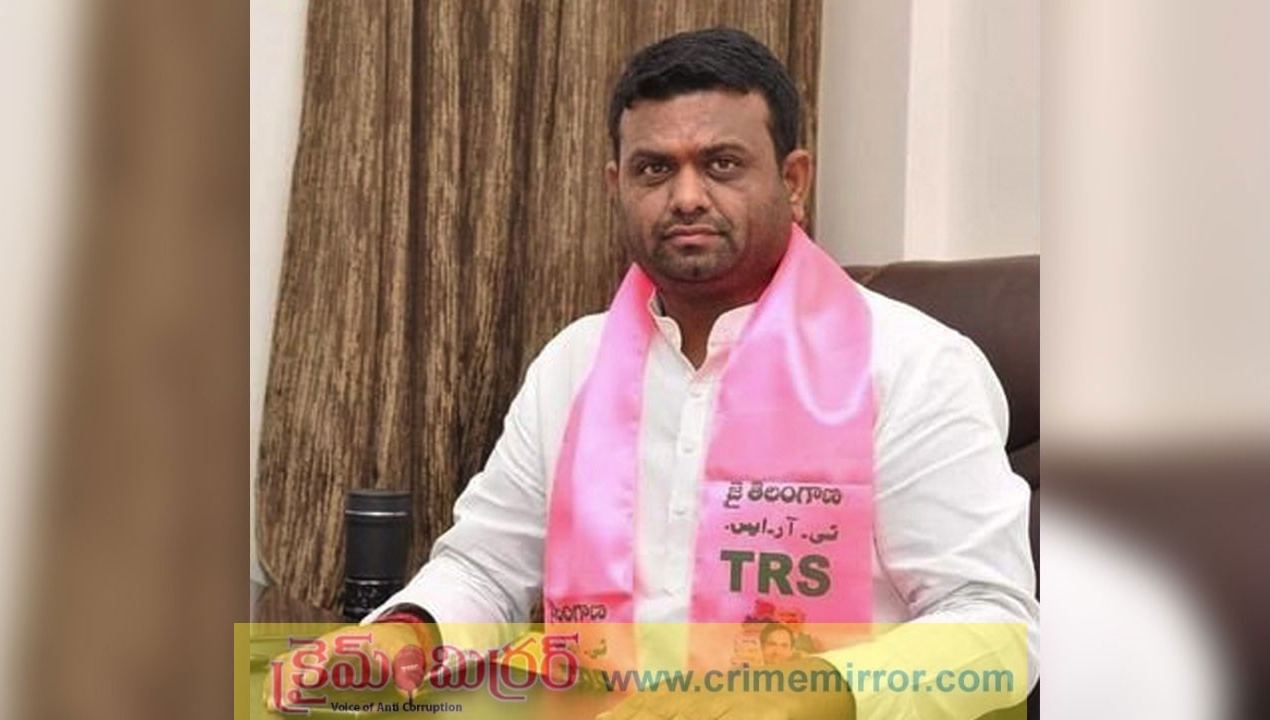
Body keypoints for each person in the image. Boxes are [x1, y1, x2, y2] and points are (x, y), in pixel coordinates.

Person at [268, 27, 1038, 719]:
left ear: (794, 181)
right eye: (654, 168)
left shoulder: (913, 364)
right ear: (618, 187)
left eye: (723, 164)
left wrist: (816, 692)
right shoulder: (574, 364)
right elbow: (486, 566)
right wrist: (408, 634)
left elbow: (999, 629)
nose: (687, 196)